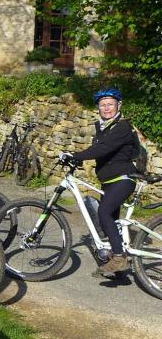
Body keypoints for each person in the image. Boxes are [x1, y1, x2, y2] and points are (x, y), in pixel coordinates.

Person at [60, 87, 137, 276]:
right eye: (103, 105)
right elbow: (100, 149)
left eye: (110, 104)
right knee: (111, 220)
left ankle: (118, 257)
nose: (106, 108)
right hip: (110, 181)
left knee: (103, 212)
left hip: (123, 179)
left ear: (119, 105)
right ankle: (118, 263)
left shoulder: (122, 127)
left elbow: (103, 149)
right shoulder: (103, 128)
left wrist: (76, 155)